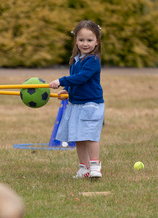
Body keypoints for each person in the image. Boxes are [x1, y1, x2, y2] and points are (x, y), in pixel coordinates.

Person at [49, 20, 104, 179]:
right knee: (78, 137)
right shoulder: (75, 59)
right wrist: (67, 90)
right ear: (76, 41)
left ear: (97, 42)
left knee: (90, 137)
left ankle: (95, 166)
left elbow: (82, 77)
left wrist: (61, 81)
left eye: (89, 40)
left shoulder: (92, 60)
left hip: (91, 104)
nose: (85, 43)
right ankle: (84, 168)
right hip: (76, 104)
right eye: (81, 40)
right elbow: (76, 80)